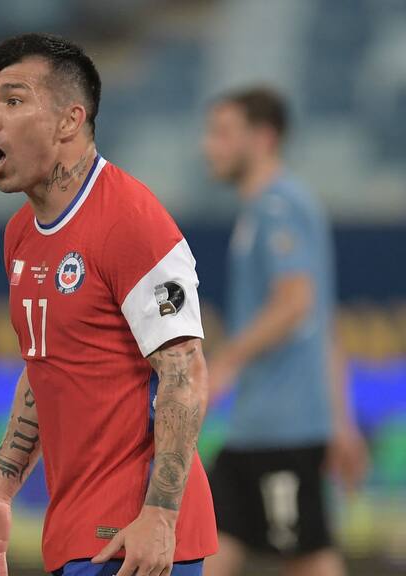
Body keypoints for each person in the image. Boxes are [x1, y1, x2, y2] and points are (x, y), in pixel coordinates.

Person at [0, 33, 217, 576]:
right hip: (75, 533)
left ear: (70, 121)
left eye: (13, 100)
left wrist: (161, 516)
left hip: (135, 540)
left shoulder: (130, 221)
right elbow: (47, 369)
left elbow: (185, 370)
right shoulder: (21, 235)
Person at [200, 87, 369, 576]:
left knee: (307, 557)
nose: (210, 145)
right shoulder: (266, 210)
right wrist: (343, 420)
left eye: (223, 132)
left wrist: (228, 359)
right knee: (207, 544)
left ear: (264, 137)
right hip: (258, 427)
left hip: (284, 429)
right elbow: (324, 325)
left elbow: (296, 303)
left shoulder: (280, 206)